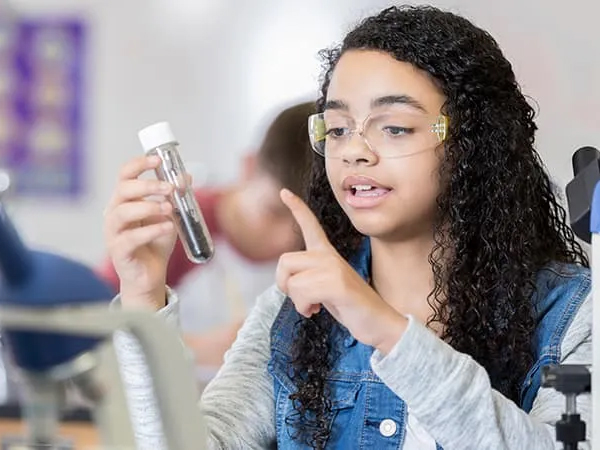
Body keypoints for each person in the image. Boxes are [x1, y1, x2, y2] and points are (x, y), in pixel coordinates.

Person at [104, 5, 591, 449]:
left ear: (472, 144)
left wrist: (385, 329)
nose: (354, 150)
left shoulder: (571, 313)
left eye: (394, 126)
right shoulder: (291, 311)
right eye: (337, 128)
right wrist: (143, 297)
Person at [99, 101, 315, 370]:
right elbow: (97, 329)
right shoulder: (178, 226)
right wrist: (193, 349)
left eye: (304, 223)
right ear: (247, 168)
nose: (286, 239)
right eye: (273, 212)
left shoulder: (320, 247)